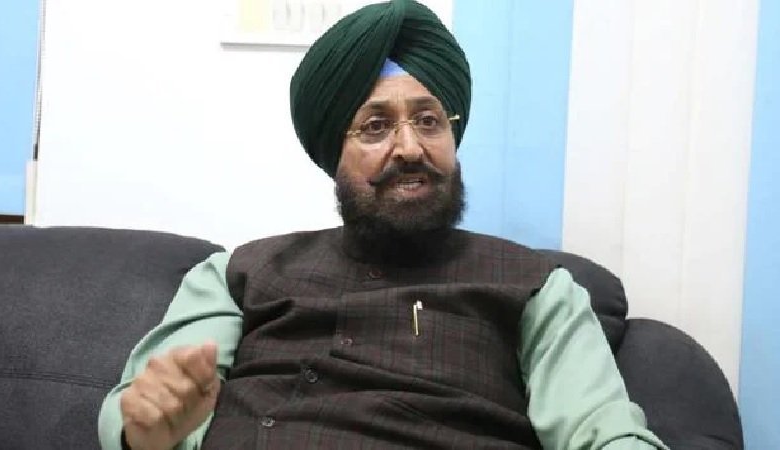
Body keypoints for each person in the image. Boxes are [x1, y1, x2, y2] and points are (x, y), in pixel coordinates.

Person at [98, 1, 668, 449]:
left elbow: (603, 432)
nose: (410, 147)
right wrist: (148, 428)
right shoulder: (237, 274)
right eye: (375, 127)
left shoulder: (537, 287)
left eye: (429, 121)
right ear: (334, 156)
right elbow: (138, 412)